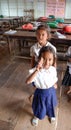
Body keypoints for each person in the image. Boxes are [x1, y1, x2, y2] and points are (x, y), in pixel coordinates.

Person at [26, 46, 58, 126]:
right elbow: (28, 81)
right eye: (44, 59)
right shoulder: (36, 70)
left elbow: (54, 78)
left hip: (51, 92)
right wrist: (37, 70)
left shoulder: (53, 69)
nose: (47, 62)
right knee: (39, 107)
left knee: (50, 105)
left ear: (53, 59)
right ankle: (36, 116)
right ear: (39, 58)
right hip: (40, 94)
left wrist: (54, 83)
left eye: (50, 59)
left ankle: (51, 115)